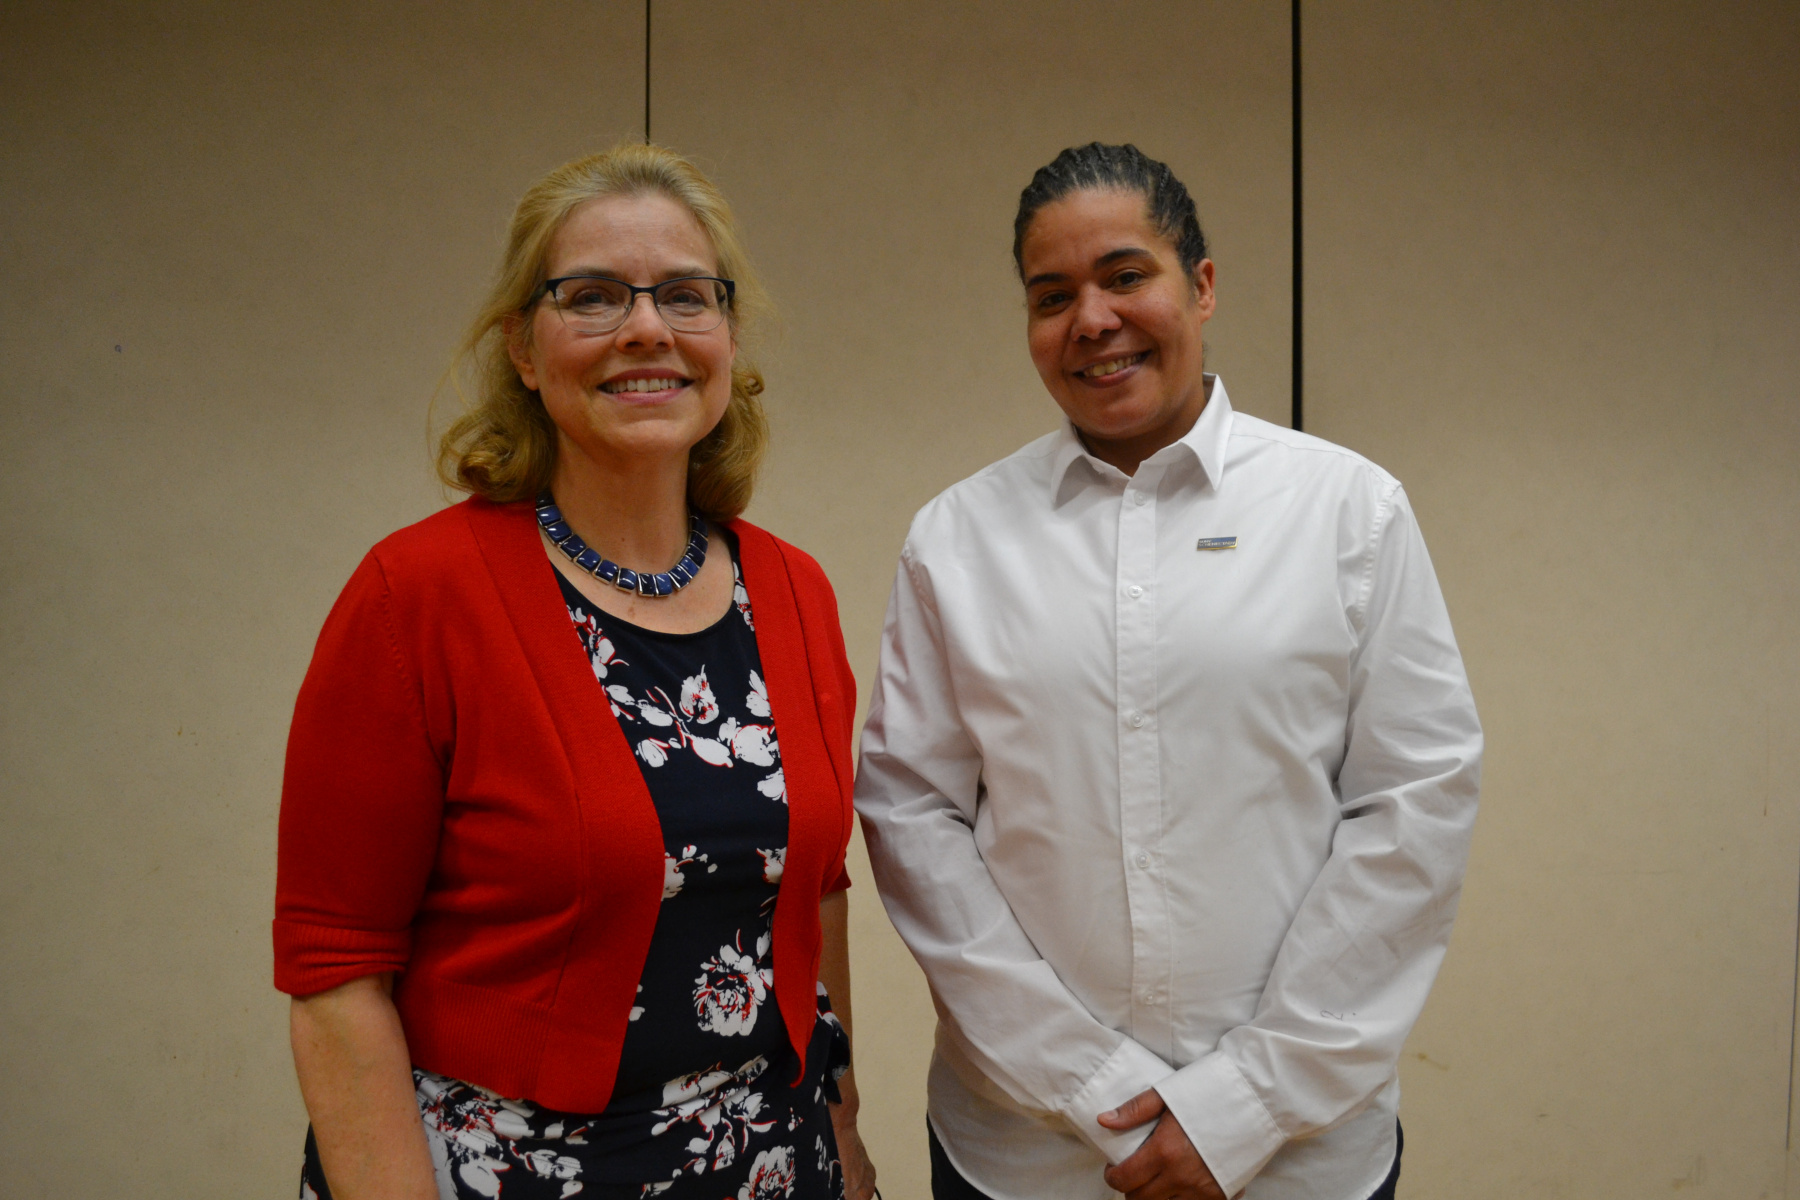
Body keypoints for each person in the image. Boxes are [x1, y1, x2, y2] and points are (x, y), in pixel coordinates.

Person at [854, 143, 1482, 1200]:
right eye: (1051, 295)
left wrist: (1246, 1101)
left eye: (1124, 275)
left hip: (1297, 1156)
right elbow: (913, 819)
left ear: (1201, 284)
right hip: (1025, 1154)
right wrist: (1094, 1085)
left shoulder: (1348, 510)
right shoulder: (957, 537)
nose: (1090, 319)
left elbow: (1413, 808)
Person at [275, 143, 876, 1200]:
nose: (646, 328)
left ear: (728, 337)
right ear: (521, 347)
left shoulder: (795, 592)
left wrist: (846, 1127)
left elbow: (814, 893)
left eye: (686, 296)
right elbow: (336, 971)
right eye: (591, 297)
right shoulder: (415, 597)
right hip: (504, 1174)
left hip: (776, 1167)